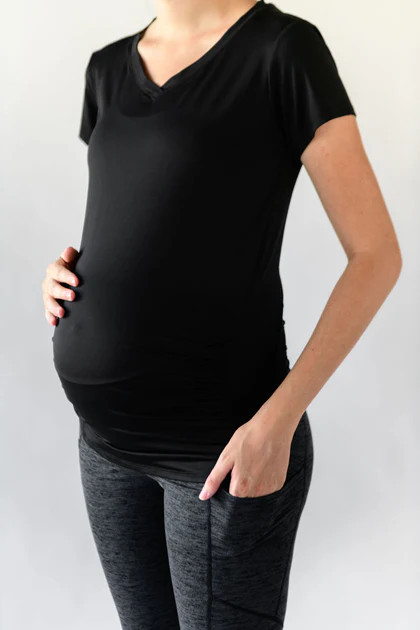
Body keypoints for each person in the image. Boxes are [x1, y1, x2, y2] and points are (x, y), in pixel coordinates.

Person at [41, 1, 402, 628]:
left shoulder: (282, 51)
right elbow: (138, 220)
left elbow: (377, 256)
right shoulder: (105, 70)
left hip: (221, 450)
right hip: (104, 444)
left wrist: (277, 423)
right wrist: (66, 274)